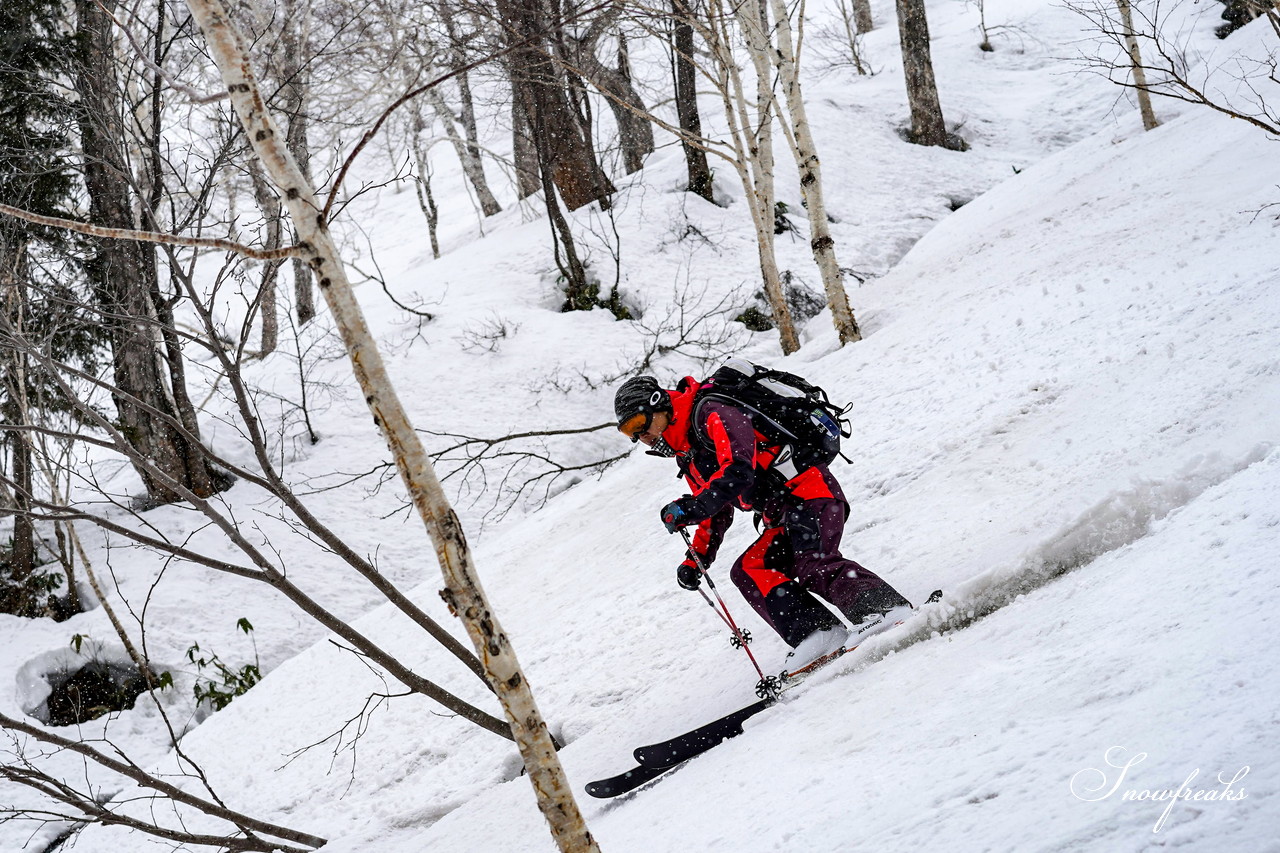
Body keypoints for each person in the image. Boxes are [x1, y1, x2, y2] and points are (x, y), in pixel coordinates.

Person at [614, 369, 914, 663]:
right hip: (782, 514)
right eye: (630, 432)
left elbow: (738, 471)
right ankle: (818, 634)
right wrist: (696, 559)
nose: (642, 436)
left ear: (660, 403)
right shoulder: (689, 452)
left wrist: (693, 506)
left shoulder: (712, 411)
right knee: (750, 569)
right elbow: (715, 510)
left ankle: (885, 609)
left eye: (640, 423)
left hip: (809, 493)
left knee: (812, 562)